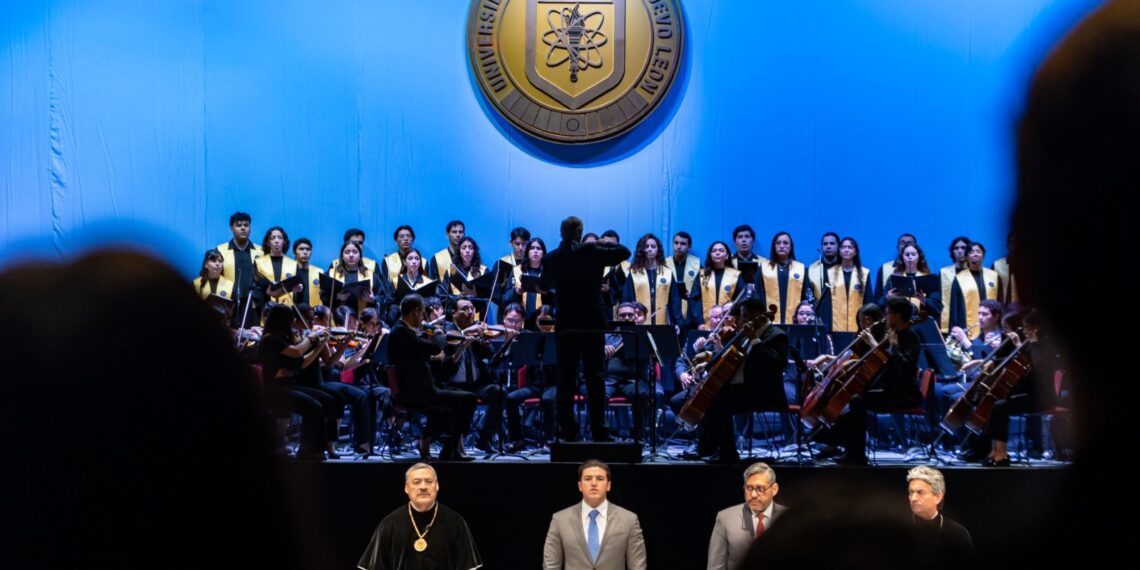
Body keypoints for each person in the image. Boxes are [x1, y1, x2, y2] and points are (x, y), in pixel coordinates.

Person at [540, 216, 631, 442]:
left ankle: (568, 431)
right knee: (595, 378)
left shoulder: (552, 257)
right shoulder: (593, 252)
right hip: (591, 322)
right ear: (580, 233)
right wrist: (602, 242)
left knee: (566, 378)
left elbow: (543, 285)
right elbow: (625, 252)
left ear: (561, 233)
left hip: (567, 323)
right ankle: (600, 430)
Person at [827, 296, 922, 465]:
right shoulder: (893, 334)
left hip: (904, 394)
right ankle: (846, 448)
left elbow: (903, 368)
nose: (885, 317)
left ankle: (855, 454)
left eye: (888, 313)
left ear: (898, 316)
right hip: (890, 389)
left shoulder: (910, 336)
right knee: (854, 397)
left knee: (857, 401)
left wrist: (876, 344)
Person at [698, 299, 789, 463]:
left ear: (757, 315)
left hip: (763, 392)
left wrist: (754, 340)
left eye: (744, 316)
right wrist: (709, 363)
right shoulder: (746, 333)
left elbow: (775, 365)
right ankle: (716, 449)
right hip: (742, 389)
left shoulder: (776, 335)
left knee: (718, 403)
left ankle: (728, 453)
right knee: (709, 398)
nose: (741, 321)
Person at [389, 294, 477, 461]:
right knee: (469, 399)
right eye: (422, 313)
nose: (422, 317)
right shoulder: (402, 333)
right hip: (418, 393)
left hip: (420, 388)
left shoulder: (403, 330)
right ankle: (451, 446)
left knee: (455, 395)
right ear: (415, 312)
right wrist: (437, 333)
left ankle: (450, 448)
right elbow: (436, 348)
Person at [357, 463, 482, 570]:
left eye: (429, 481)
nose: (423, 487)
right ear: (406, 488)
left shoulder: (456, 522)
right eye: (416, 482)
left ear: (437, 486)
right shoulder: (389, 524)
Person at [543, 459, 647, 570]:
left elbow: (638, 567)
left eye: (600, 479)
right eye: (588, 479)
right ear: (580, 486)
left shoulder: (629, 520)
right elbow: (551, 566)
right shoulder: (560, 520)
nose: (593, 483)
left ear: (608, 485)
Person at [440, 296, 504, 455]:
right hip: (453, 384)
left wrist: (483, 342)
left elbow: (491, 358)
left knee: (498, 391)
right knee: (465, 398)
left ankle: (484, 437)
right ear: (454, 313)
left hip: (476, 384)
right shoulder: (446, 330)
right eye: (465, 309)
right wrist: (464, 333)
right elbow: (445, 350)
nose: (470, 312)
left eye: (471, 309)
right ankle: (455, 442)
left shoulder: (478, 331)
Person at [707, 462, 788, 570]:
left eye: (760, 489)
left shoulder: (789, 518)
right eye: (749, 488)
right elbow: (715, 567)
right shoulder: (725, 518)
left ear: (774, 489)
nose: (753, 495)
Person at [906, 466, 973, 566]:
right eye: (911, 492)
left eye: (920, 492)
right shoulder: (896, 528)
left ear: (938, 497)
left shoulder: (958, 534)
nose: (913, 498)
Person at [622, 233, 682, 326]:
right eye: (646, 246)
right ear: (642, 250)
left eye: (653, 246)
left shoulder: (667, 273)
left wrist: (678, 323)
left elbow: (675, 300)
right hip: (638, 323)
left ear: (658, 250)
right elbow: (627, 299)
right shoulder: (634, 273)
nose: (650, 249)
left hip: (663, 324)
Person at [813, 237, 871, 332]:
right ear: (839, 251)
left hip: (859, 327)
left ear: (855, 252)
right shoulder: (830, 273)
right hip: (835, 326)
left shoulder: (864, 274)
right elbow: (826, 304)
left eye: (850, 247)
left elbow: (868, 301)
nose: (846, 250)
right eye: (843, 247)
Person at [756, 231, 807, 325]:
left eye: (785, 243)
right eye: (778, 243)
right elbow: (758, 295)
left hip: (795, 323)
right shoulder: (763, 268)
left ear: (791, 247)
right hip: (769, 323)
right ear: (774, 246)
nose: (782, 246)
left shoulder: (801, 269)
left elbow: (806, 297)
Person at [691, 241, 747, 326]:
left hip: (729, 324)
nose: (717, 253)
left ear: (727, 255)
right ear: (710, 255)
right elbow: (695, 301)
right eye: (714, 251)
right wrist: (699, 322)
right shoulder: (702, 275)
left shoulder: (735, 275)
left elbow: (741, 300)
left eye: (721, 250)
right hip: (705, 323)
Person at [665, 231, 701, 329]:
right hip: (671, 309)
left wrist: (693, 294)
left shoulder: (697, 265)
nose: (679, 246)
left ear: (689, 247)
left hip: (691, 311)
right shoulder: (664, 264)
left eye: (683, 243)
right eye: (676, 243)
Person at [806, 231, 840, 300]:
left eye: (832, 243)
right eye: (825, 244)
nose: (828, 246)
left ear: (838, 246)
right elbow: (808, 293)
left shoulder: (845, 267)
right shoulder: (811, 269)